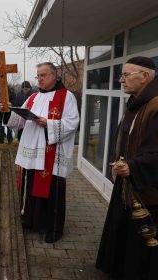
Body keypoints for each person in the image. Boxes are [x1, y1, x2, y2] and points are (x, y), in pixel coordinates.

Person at [96, 57, 158, 279]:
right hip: (126, 183)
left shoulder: (155, 105)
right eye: (121, 75)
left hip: (146, 189)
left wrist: (132, 166)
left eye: (126, 75)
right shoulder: (135, 101)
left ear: (145, 77)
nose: (121, 80)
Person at [6, 62, 79, 243]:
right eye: (38, 76)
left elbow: (72, 123)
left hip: (52, 152)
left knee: (53, 190)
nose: (39, 79)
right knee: (30, 185)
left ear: (54, 75)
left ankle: (54, 229)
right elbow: (19, 121)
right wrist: (8, 111)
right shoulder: (34, 96)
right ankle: (31, 220)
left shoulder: (66, 97)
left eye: (43, 75)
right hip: (34, 150)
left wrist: (49, 124)